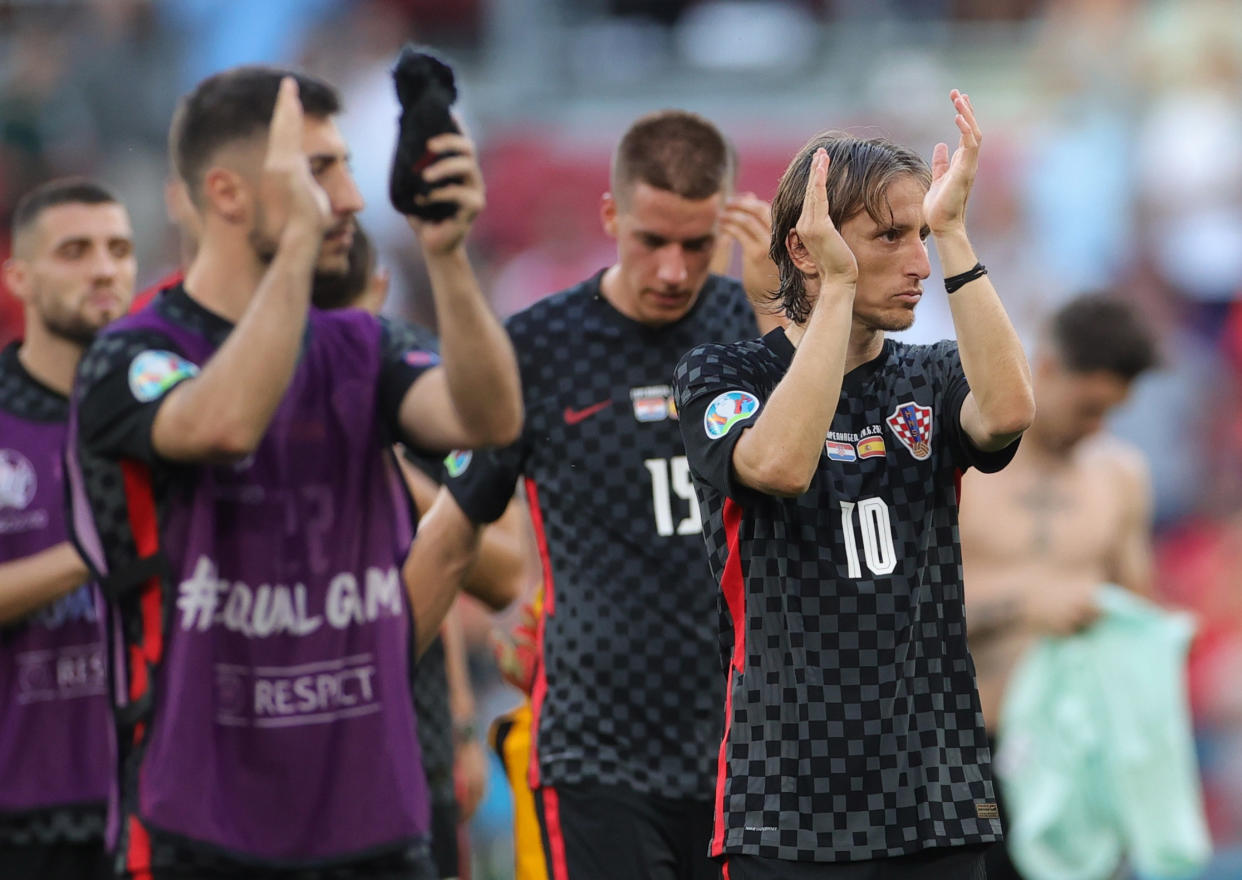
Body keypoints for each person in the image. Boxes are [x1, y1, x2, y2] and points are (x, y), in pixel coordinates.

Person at [67, 66, 521, 880]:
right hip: (200, 823)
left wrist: (447, 258)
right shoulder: (133, 355)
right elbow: (225, 421)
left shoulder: (362, 346)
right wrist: (299, 254)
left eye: (346, 166)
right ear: (229, 194)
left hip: (374, 820)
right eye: (319, 171)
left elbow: (487, 421)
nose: (350, 196)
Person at [673, 90, 1036, 879]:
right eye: (891, 238)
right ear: (811, 249)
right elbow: (777, 466)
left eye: (920, 237)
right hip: (786, 806)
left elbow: (1009, 411)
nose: (916, 264)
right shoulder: (721, 374)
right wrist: (836, 291)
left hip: (936, 797)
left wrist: (954, 231)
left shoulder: (932, 377)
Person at [442, 109, 776, 880]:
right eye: (651, 240)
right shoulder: (536, 346)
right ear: (610, 215)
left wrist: (778, 316)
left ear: (728, 222)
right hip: (596, 752)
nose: (672, 269)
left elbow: (820, 500)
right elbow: (452, 528)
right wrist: (424, 708)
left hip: (749, 750)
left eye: (696, 245)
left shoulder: (757, 335)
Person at [312, 223, 540, 880]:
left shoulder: (417, 395)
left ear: (379, 295)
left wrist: (390, 471)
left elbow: (500, 574)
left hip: (414, 742)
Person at [959, 293, 1159, 879]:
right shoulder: (963, 465)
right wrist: (1024, 603)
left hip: (1079, 754)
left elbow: (1135, 612)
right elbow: (904, 609)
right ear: (1045, 366)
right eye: (1088, 406)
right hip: (972, 748)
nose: (1096, 427)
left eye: (1111, 412)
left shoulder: (1121, 476)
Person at [0, 177, 136, 880]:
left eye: (119, 249)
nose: (104, 269)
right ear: (18, 276)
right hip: (20, 818)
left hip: (156, 807)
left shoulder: (169, 409)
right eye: (75, 251)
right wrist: (100, 545)